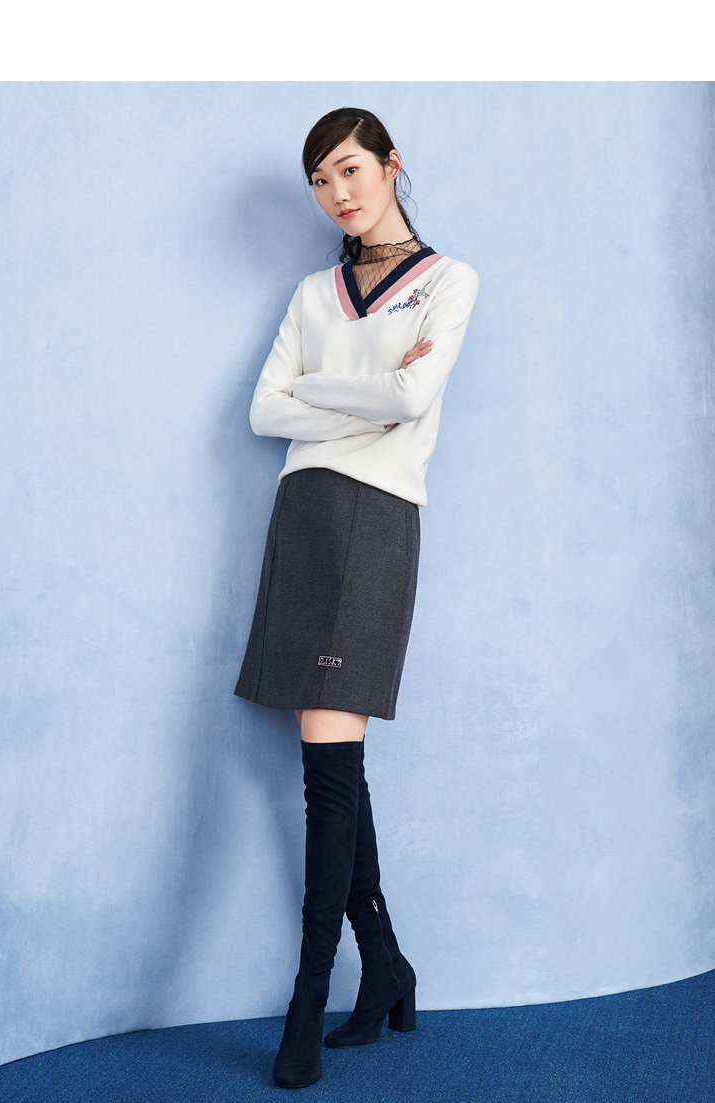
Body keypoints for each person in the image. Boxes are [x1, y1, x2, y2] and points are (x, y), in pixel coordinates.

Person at [234, 106, 479, 1089]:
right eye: (320, 181)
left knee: (327, 773)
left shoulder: (449, 281)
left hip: (375, 519)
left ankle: (310, 997)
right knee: (334, 761)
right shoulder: (312, 292)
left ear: (390, 165)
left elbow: (413, 402)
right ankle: (384, 965)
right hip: (301, 518)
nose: (337, 192)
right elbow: (263, 411)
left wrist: (322, 390)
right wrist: (368, 390)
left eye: (349, 169)